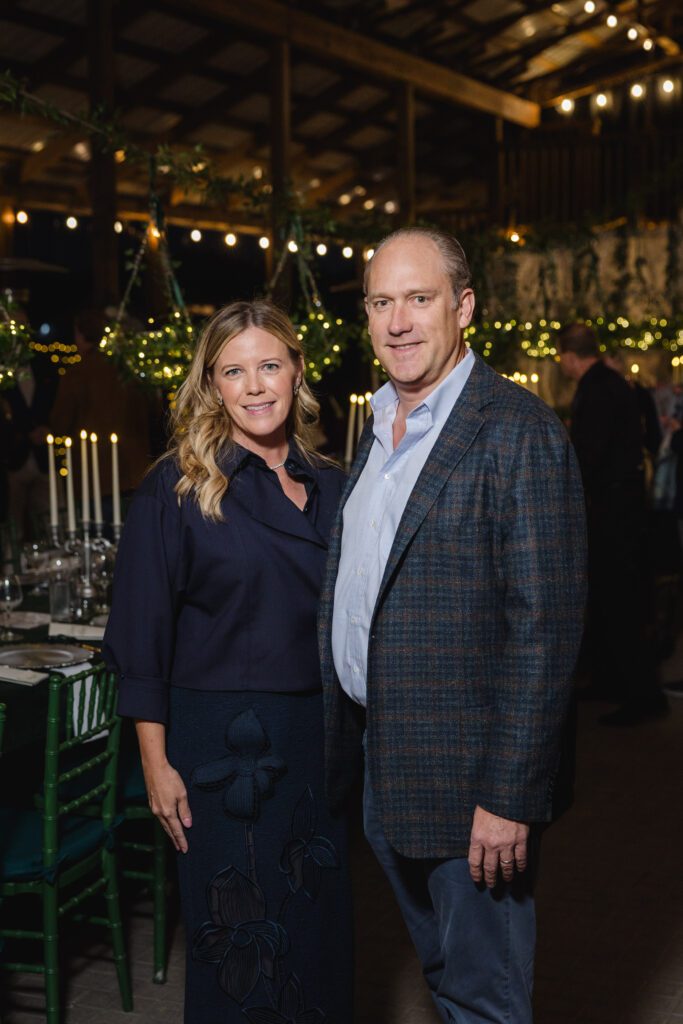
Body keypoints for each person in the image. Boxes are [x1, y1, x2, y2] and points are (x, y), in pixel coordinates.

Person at [319, 227, 586, 1024]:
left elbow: (544, 631)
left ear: (462, 307)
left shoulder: (516, 431)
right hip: (385, 760)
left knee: (482, 1000)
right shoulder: (376, 424)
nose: (397, 321)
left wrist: (508, 796)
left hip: (470, 788)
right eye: (380, 302)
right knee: (443, 979)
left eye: (418, 298)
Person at [103, 301, 352, 1023]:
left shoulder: (336, 484)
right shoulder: (178, 485)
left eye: (269, 365)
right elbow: (141, 636)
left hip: (318, 741)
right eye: (233, 371)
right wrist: (155, 763)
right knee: (238, 943)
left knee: (315, 931)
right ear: (211, 384)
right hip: (221, 750)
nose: (254, 386)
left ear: (296, 371)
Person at [558, 323, 668, 725]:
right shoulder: (609, 383)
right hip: (619, 507)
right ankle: (610, 680)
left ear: (570, 357)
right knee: (607, 600)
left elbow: (591, 454)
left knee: (622, 603)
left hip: (614, 512)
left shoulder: (599, 389)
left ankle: (644, 695)